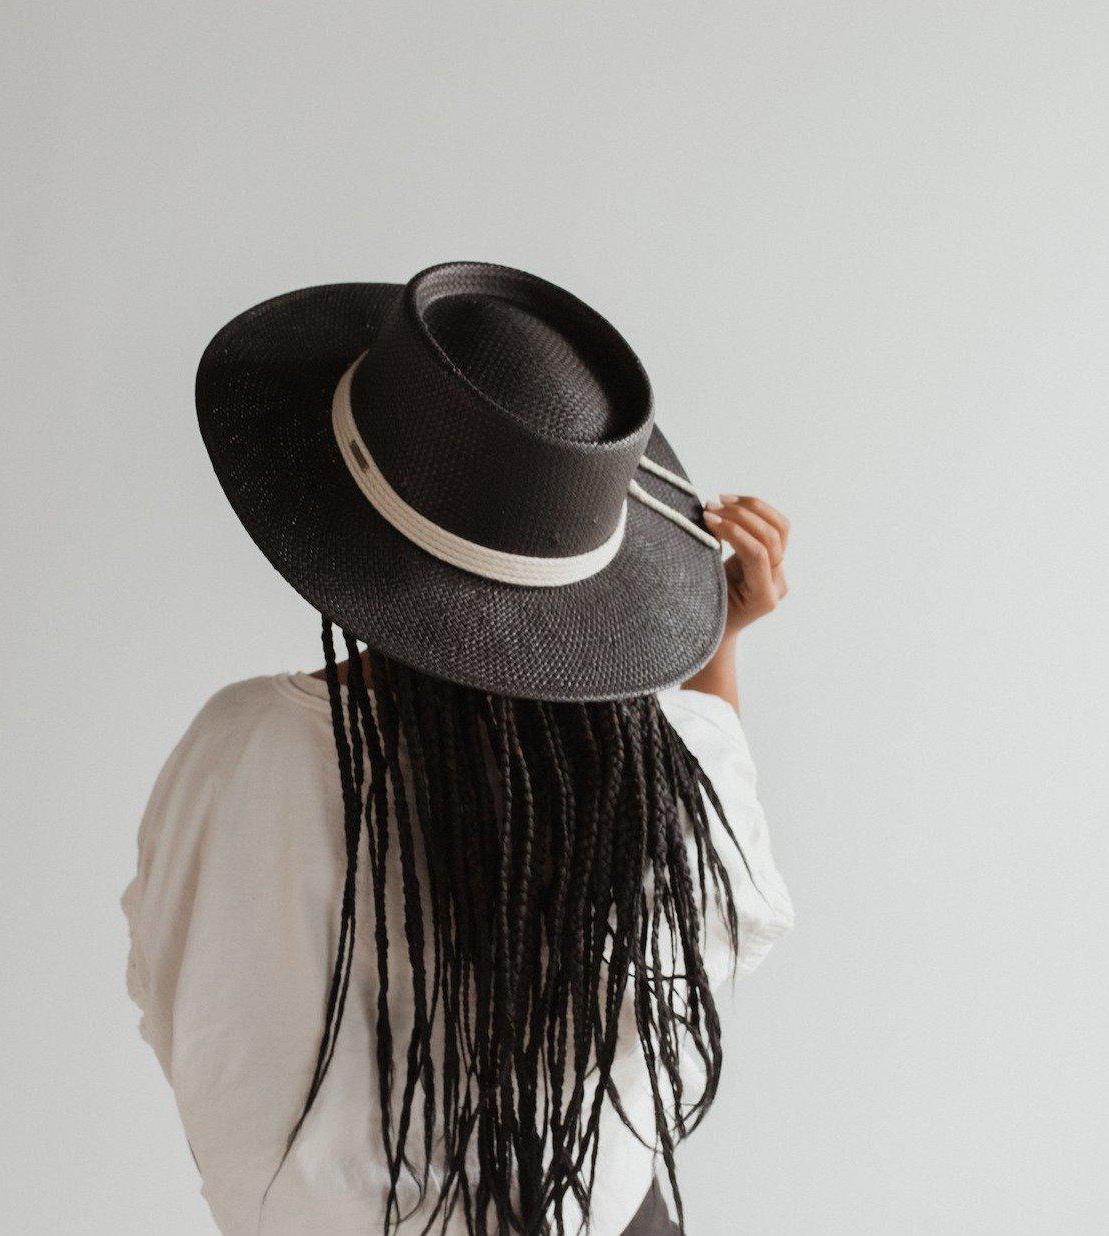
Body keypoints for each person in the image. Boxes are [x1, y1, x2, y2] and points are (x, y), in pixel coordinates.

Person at [123, 262, 794, 1235]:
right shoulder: (642, 765)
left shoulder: (249, 749)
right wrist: (717, 641)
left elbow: (186, 1006)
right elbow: (713, 916)